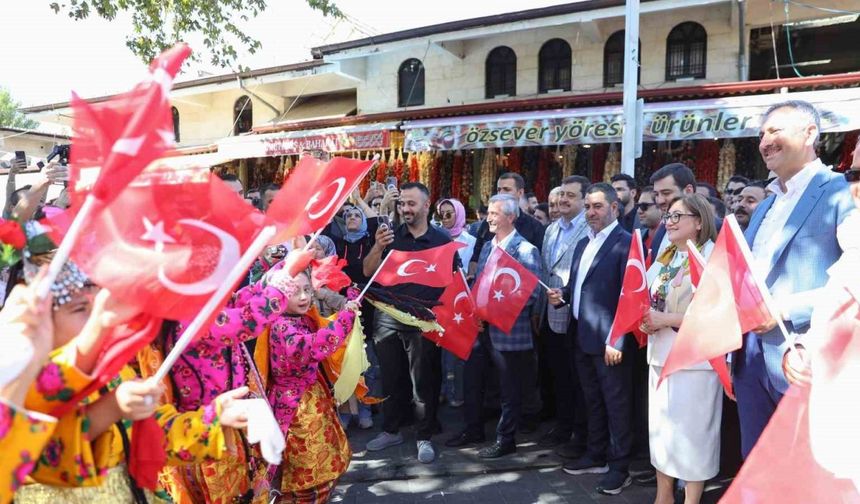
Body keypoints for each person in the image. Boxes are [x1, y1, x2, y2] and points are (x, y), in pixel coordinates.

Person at [737, 100, 854, 457]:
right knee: (755, 467)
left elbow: (854, 281)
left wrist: (784, 309)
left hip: (805, 357)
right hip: (749, 358)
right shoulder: (767, 205)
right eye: (761, 134)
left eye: (775, 131)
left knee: (803, 472)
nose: (764, 142)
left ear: (809, 133)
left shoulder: (841, 192)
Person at [547, 183, 634, 496]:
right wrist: (564, 296)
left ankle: (620, 467)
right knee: (592, 401)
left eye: (597, 206)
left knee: (616, 405)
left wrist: (618, 340)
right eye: (587, 207)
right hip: (581, 336)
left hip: (610, 343)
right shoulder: (584, 243)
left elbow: (631, 297)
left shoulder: (626, 243)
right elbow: (581, 286)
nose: (590, 212)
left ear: (614, 208)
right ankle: (596, 455)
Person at [363, 182, 454, 464]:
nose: (405, 209)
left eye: (411, 204)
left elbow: (454, 283)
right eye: (402, 203)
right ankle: (391, 430)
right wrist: (378, 246)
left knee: (423, 386)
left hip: (424, 323)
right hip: (387, 319)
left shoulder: (442, 240)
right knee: (390, 380)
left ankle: (424, 437)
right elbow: (367, 271)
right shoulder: (389, 236)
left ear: (427, 205)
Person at [640, 194, 721, 504]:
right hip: (660, 355)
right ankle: (664, 495)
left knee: (693, 435)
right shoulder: (667, 255)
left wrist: (667, 318)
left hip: (695, 362)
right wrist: (647, 320)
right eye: (668, 216)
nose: (669, 222)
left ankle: (691, 499)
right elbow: (647, 297)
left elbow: (718, 313)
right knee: (661, 431)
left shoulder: (713, 256)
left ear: (698, 222)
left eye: (677, 216)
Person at [253, 264, 360, 502]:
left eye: (306, 289)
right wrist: (346, 317)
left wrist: (350, 302)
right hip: (297, 410)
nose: (303, 297)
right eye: (293, 292)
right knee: (310, 477)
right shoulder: (281, 326)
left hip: (311, 401)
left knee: (313, 476)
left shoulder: (296, 318)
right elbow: (314, 345)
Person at [452, 194, 541, 459]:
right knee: (476, 381)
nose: (488, 217)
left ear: (511, 217)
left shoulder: (525, 250)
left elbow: (531, 294)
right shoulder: (489, 246)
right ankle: (474, 429)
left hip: (509, 331)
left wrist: (492, 312)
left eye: (495, 213)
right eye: (488, 212)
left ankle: (506, 439)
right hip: (482, 329)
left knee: (509, 389)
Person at [534, 175, 590, 454]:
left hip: (574, 313)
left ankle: (576, 431)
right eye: (562, 195)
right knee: (557, 374)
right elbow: (545, 271)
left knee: (575, 377)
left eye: (571, 196)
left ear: (584, 200)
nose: (564, 200)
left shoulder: (588, 228)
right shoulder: (552, 229)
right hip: (550, 312)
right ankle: (562, 425)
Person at [436, 198, 476, 408]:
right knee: (440, 350)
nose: (445, 218)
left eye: (449, 213)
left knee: (459, 352)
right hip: (439, 302)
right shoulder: (436, 238)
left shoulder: (471, 241)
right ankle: (443, 389)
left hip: (461, 303)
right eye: (441, 213)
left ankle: (459, 393)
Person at [469, 172, 545, 278]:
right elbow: (476, 257)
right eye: (499, 190)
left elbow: (534, 274)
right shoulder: (487, 224)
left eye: (507, 189)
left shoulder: (535, 228)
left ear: (520, 192)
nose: (501, 194)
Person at [636, 187, 662, 262]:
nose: (639, 211)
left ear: (660, 206)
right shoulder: (637, 237)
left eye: (644, 206)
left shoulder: (670, 239)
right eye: (638, 206)